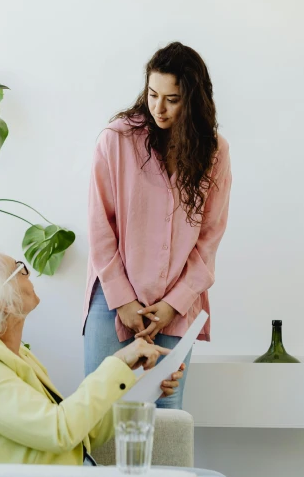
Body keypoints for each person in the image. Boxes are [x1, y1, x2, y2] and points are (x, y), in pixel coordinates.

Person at [0, 245, 247, 477]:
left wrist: (147, 388)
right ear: (0, 298)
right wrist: (117, 361)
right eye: (21, 268)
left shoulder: (12, 355)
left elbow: (80, 433)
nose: (30, 273)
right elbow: (59, 430)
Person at [83, 42, 232, 410]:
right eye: (152, 94)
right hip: (114, 299)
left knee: (165, 418)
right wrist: (124, 301)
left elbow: (209, 239)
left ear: (194, 100)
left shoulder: (214, 151)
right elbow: (100, 229)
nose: (159, 108)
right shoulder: (116, 140)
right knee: (101, 414)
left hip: (177, 304)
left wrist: (173, 304)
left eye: (172, 99)